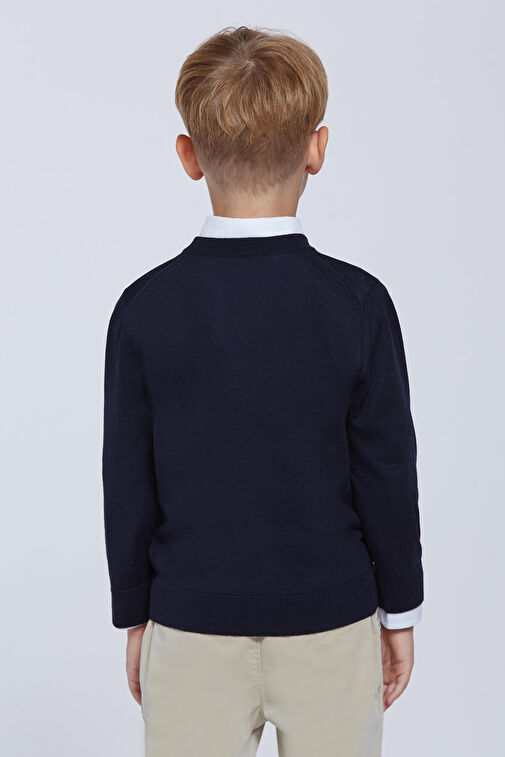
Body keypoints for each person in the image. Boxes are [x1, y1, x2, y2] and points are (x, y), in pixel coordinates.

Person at [102, 25, 424, 757]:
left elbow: (127, 478)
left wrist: (135, 614)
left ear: (188, 155)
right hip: (332, 625)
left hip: (189, 627)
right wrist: (399, 609)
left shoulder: (145, 309)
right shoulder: (358, 304)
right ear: (317, 148)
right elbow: (385, 469)